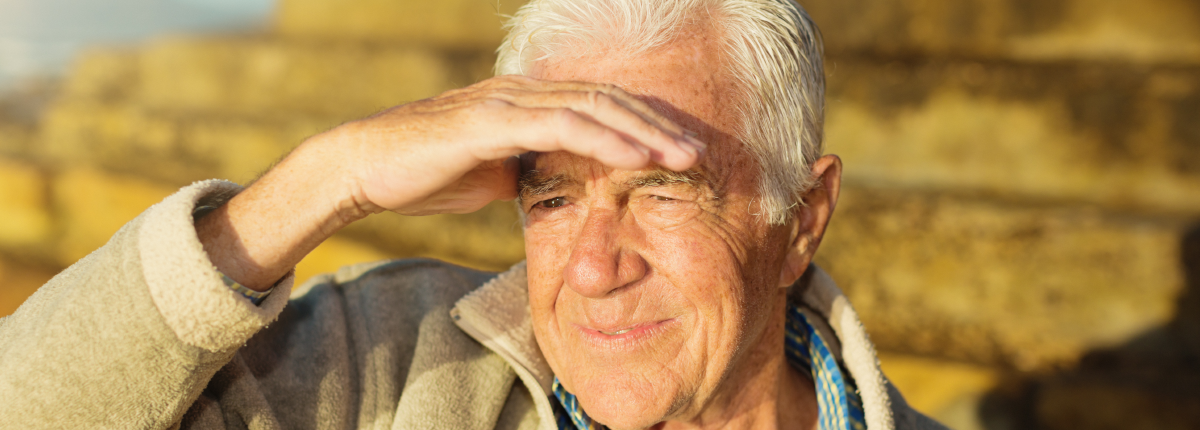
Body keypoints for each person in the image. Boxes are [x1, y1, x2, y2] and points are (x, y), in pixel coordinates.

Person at [0, 1, 947, 429]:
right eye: (553, 196)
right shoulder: (381, 363)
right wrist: (333, 174)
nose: (593, 268)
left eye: (664, 190)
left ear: (804, 217)